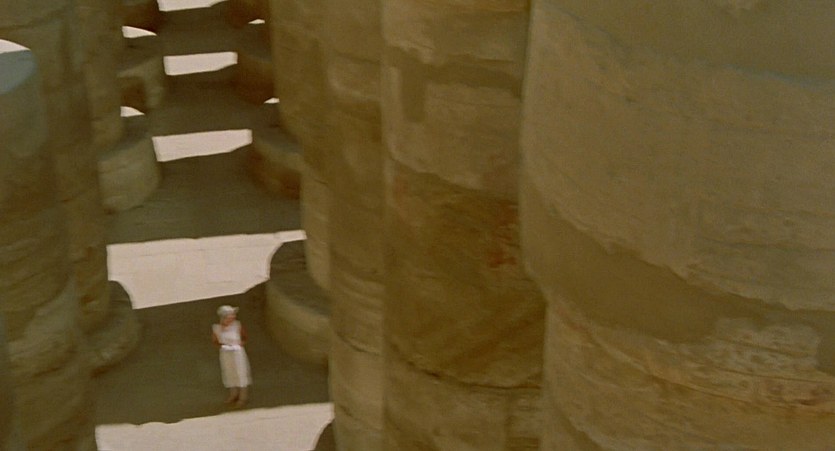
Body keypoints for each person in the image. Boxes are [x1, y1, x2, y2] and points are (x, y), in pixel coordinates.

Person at [212, 305, 251, 407]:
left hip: (237, 354)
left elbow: (245, 337)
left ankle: (243, 397)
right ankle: (233, 394)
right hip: (226, 354)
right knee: (229, 373)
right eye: (230, 315)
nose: (233, 317)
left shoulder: (237, 325)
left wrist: (239, 345)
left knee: (240, 373)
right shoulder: (217, 328)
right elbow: (215, 341)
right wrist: (223, 346)